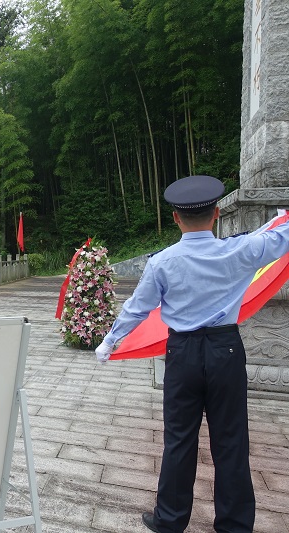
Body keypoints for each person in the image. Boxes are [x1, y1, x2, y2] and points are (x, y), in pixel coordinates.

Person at [95, 175, 289, 533]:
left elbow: (138, 309)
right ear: (216, 213)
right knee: (231, 439)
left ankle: (170, 520)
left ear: (175, 218)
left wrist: (110, 342)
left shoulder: (162, 262)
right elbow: (280, 238)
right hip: (225, 349)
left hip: (182, 353)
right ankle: (234, 524)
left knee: (179, 439)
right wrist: (282, 218)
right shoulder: (241, 249)